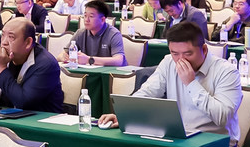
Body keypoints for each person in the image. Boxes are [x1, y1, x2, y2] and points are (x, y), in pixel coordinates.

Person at [100, 21, 241, 139]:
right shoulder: (169, 62)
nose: (181, 60)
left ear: (204, 49)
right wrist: (125, 115)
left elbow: (223, 117)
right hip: (179, 141)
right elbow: (148, 92)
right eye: (175, 53)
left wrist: (191, 83)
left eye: (188, 54)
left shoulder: (227, 72)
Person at [67, 1, 126, 66]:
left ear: (102, 20)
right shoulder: (80, 33)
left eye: (91, 16)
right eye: (85, 16)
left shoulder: (114, 34)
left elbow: (118, 61)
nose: (86, 20)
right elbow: (63, 55)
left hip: (112, 72)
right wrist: (64, 57)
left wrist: (89, 60)